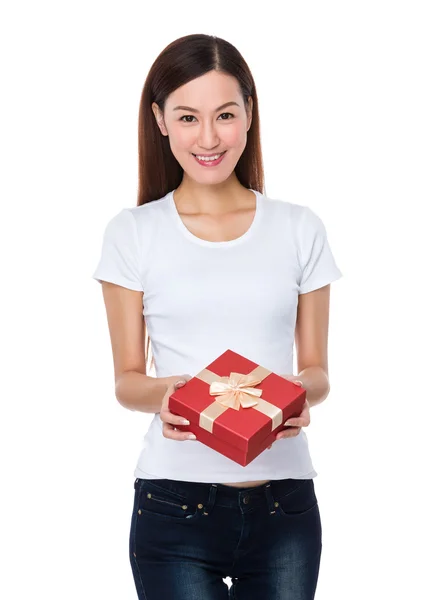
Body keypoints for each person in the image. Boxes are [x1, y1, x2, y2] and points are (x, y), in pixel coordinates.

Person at [92, 33, 342, 600]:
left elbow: (319, 371)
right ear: (159, 120)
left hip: (285, 504)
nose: (208, 138)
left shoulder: (300, 228)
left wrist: (295, 394)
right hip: (173, 505)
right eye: (187, 117)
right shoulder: (132, 235)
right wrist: (175, 394)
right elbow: (128, 381)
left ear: (249, 115)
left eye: (225, 115)